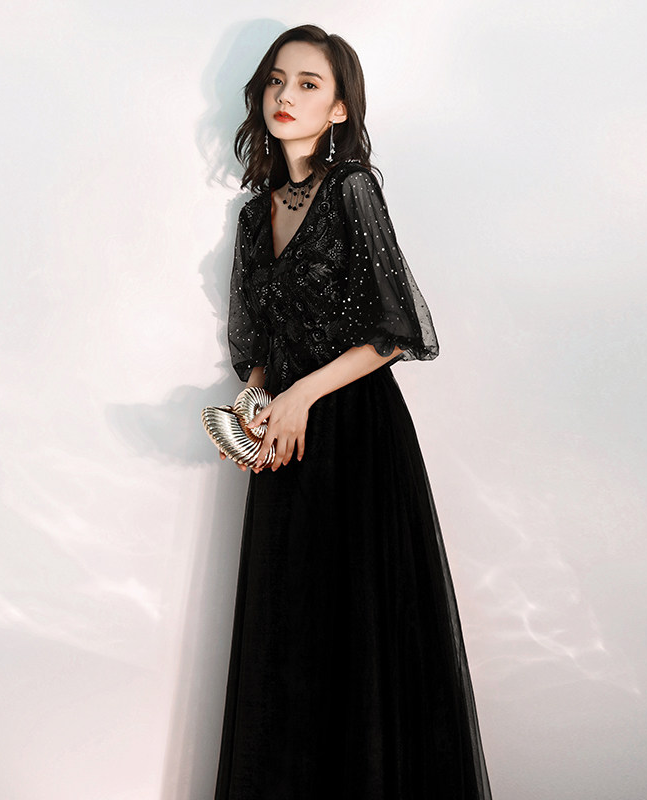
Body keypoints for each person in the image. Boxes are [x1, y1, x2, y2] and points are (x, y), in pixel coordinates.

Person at [214, 24, 493, 800]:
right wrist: (253, 407)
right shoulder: (253, 216)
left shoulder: (351, 189)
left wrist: (301, 395)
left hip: (356, 434)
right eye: (277, 80)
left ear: (339, 109)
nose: (286, 96)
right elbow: (259, 346)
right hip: (285, 445)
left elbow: (395, 328)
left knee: (360, 634)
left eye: (309, 84)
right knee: (292, 636)